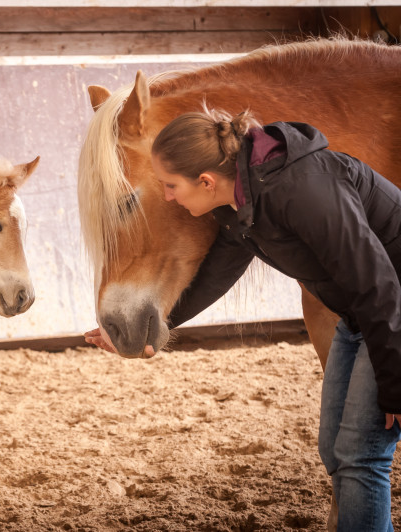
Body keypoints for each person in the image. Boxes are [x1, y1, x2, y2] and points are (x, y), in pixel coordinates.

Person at [86, 106, 401, 531]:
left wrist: (395, 383)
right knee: (335, 448)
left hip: (389, 306)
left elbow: (378, 284)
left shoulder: (303, 190)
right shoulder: (238, 202)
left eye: (170, 185)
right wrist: (160, 323)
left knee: (362, 454)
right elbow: (219, 271)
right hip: (361, 315)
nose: (167, 197)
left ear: (206, 181)